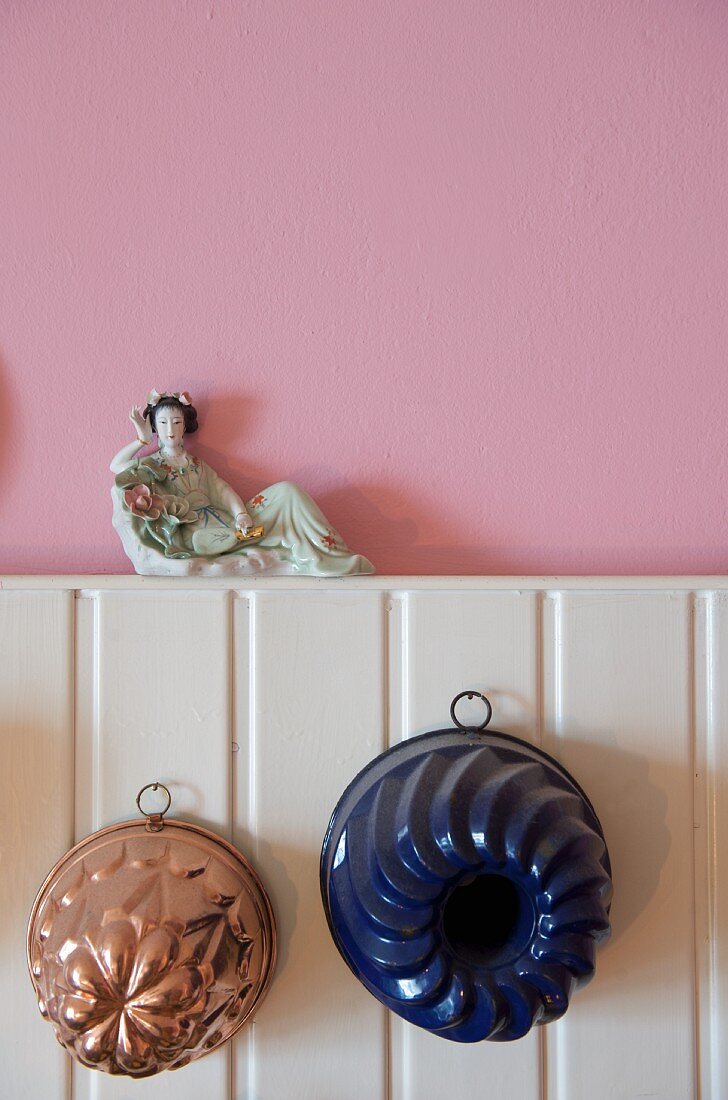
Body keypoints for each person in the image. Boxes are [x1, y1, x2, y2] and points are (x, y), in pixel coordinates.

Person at [111, 390, 375, 576]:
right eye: (164, 422)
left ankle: (332, 555)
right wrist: (142, 441)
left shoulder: (196, 464)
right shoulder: (151, 465)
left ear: (185, 426)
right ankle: (254, 539)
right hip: (197, 533)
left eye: (177, 422)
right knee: (210, 540)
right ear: (155, 426)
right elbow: (117, 468)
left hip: (228, 521)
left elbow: (222, 490)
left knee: (288, 491)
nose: (171, 428)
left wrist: (241, 515)